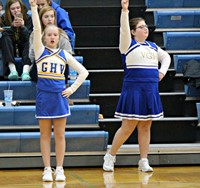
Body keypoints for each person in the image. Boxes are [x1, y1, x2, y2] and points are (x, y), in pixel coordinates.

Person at [103, 0, 171, 172]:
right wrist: (125, 11)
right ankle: (110, 155)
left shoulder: (153, 46)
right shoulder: (128, 45)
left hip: (150, 90)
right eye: (141, 27)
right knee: (128, 126)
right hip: (134, 90)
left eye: (146, 26)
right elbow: (123, 30)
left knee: (146, 125)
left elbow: (167, 58)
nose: (145, 29)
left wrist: (161, 72)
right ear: (133, 32)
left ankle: (143, 160)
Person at [29, 0, 88, 182]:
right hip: (44, 97)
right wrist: (32, 7)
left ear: (58, 36)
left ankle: (60, 168)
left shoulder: (64, 55)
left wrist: (71, 89)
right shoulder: (40, 52)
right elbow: (37, 30)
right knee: (45, 135)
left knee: (60, 135)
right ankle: (47, 168)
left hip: (60, 98)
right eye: (50, 35)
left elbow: (83, 72)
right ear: (45, 38)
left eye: (55, 35)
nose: (53, 37)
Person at [29, 5, 73, 82]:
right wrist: (38, 39)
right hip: (40, 65)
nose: (49, 19)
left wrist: (54, 58)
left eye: (52, 16)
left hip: (57, 65)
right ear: (41, 19)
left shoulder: (61, 34)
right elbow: (31, 56)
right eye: (46, 17)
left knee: (65, 66)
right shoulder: (35, 34)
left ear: (55, 19)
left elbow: (68, 54)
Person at [1, 0, 33, 81]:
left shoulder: (28, 18)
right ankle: (13, 70)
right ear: (8, 10)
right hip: (10, 46)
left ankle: (25, 71)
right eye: (13, 9)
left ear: (21, 8)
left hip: (23, 46)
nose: (16, 10)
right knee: (5, 37)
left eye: (18, 8)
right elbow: (4, 33)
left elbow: (28, 36)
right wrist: (12, 27)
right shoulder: (4, 18)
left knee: (30, 40)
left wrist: (23, 27)